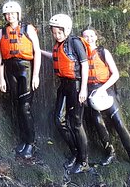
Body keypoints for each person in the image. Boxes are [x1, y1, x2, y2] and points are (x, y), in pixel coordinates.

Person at [82, 28, 130, 174]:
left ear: (96, 37)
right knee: (99, 124)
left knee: (119, 123)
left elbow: (115, 74)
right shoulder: (81, 54)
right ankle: (110, 153)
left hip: (106, 89)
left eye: (91, 35)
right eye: (86, 36)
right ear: (82, 38)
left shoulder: (103, 52)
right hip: (90, 91)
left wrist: (103, 88)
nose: (89, 38)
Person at [41, 13, 90, 174]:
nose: (56, 35)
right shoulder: (58, 44)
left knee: (76, 124)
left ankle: (83, 161)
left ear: (66, 30)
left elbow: (84, 65)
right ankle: (75, 152)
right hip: (64, 85)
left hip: (76, 86)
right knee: (58, 120)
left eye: (59, 32)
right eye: (54, 32)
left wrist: (83, 89)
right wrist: (40, 51)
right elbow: (56, 57)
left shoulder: (75, 42)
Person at [0, 1, 41, 159]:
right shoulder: (2, 32)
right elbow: (0, 56)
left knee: (25, 107)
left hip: (26, 69)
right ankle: (24, 140)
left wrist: (35, 75)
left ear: (18, 14)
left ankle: (30, 143)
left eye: (13, 13)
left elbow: (37, 52)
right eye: (7, 14)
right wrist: (1, 77)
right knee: (17, 106)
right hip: (10, 70)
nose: (10, 16)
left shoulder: (28, 29)